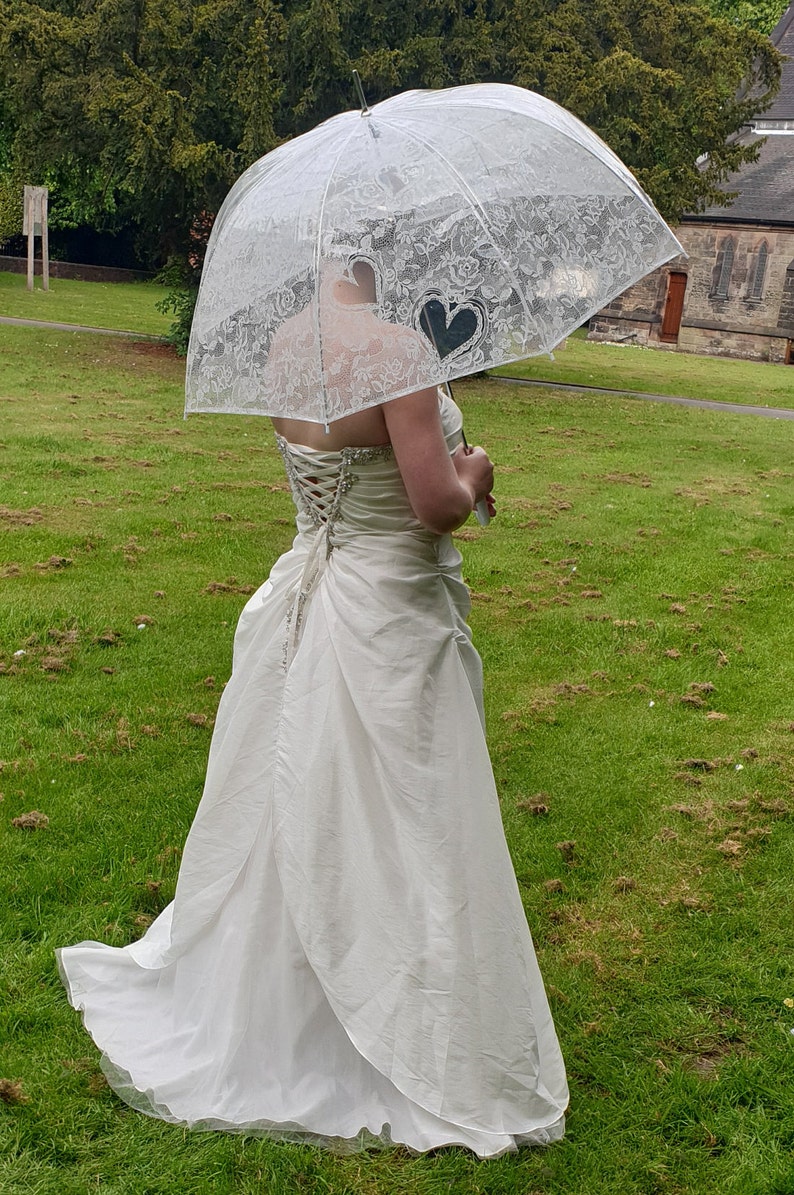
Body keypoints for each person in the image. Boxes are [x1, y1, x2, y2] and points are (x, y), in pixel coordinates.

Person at [57, 262, 569, 1158]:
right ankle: (397, 1010)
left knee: (298, 791)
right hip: (386, 607)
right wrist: (474, 467)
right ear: (379, 249)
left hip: (306, 588)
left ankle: (279, 990)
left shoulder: (287, 343)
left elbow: (323, 478)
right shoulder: (398, 352)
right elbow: (435, 504)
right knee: (401, 810)